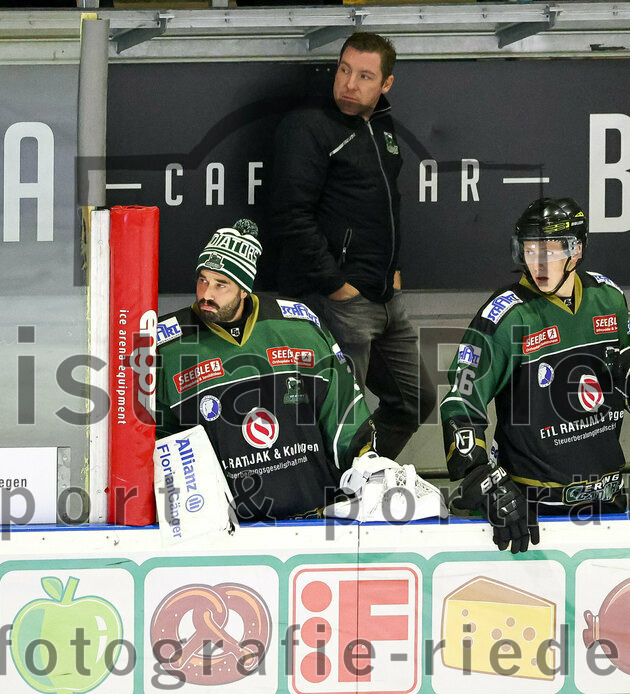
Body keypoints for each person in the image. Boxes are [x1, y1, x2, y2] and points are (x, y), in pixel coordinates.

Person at [441, 197, 630, 553]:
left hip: (609, 502)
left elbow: (624, 393)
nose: (538, 263)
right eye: (530, 251)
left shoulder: (609, 298)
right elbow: (460, 400)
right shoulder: (506, 316)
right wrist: (479, 477)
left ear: (576, 251)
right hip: (533, 514)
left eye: (550, 251)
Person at [271, 32, 435, 461]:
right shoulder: (308, 126)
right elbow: (291, 216)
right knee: (340, 416)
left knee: (415, 399)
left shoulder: (382, 125)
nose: (349, 83)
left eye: (364, 76)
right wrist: (336, 286)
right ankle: (333, 502)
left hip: (385, 297)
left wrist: (392, 270)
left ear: (386, 85)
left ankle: (362, 480)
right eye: (344, 70)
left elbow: (387, 204)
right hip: (339, 301)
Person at [155, 219, 374, 523]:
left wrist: (365, 466)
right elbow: (155, 441)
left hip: (315, 518)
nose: (207, 293)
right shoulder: (167, 346)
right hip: (223, 530)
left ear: (244, 289)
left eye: (221, 284)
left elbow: (343, 413)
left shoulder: (299, 327)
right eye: (202, 280)